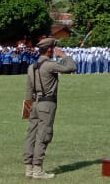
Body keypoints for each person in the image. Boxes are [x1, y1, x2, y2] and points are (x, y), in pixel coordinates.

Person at [23, 37, 77, 180]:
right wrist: (64, 56)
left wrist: (27, 111)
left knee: (31, 135)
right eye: (53, 49)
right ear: (49, 50)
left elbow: (29, 90)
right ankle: (38, 169)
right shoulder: (49, 65)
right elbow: (71, 68)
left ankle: (28, 167)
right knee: (44, 135)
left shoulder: (32, 66)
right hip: (47, 104)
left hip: (34, 104)